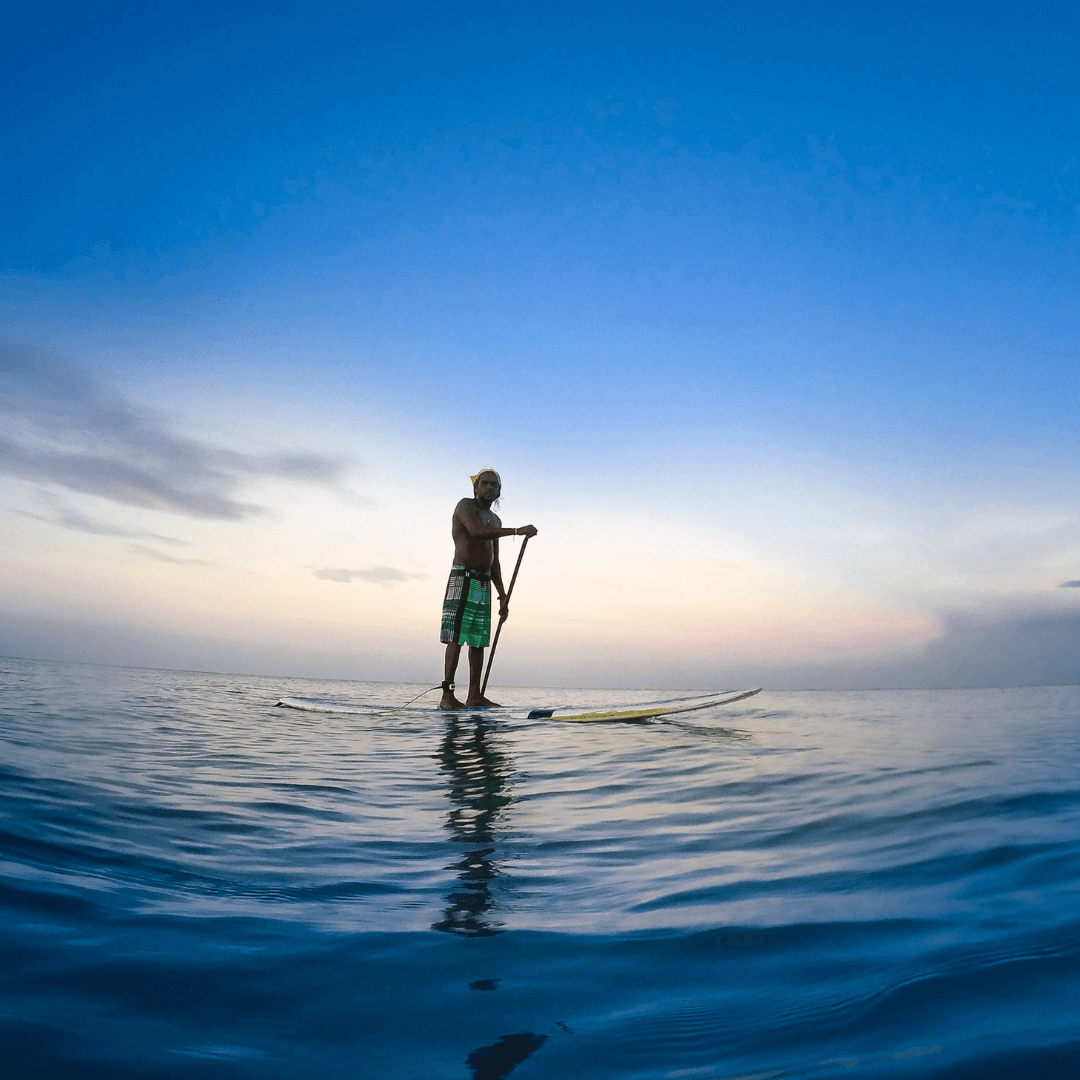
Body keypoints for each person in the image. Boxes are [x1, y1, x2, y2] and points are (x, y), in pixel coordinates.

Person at [439, 469, 538, 709]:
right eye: (485, 484)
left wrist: (502, 595)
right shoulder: (465, 507)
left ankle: (475, 695)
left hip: (482, 583)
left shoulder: (495, 521)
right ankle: (448, 695)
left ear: (499, 492)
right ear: (475, 487)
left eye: (494, 485)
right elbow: (476, 532)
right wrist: (516, 531)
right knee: (456, 637)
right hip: (463, 577)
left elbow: (494, 561)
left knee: (478, 640)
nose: (489, 488)